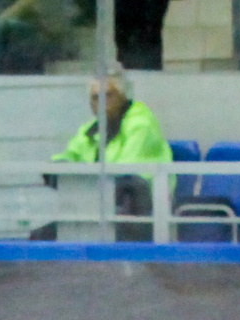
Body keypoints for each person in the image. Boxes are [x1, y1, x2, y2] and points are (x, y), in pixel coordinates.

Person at [45, 70, 171, 239]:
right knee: (41, 236)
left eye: (108, 96)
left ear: (123, 96)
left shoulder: (141, 124)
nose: (102, 103)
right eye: (95, 98)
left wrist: (84, 182)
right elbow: (71, 155)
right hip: (97, 208)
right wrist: (58, 168)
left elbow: (126, 176)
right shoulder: (91, 129)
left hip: (138, 212)